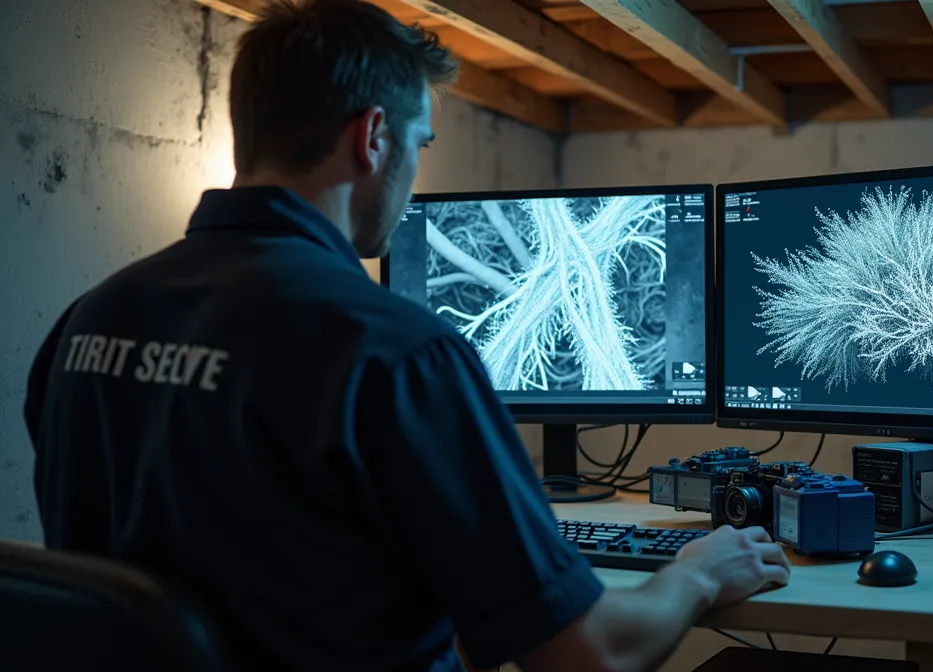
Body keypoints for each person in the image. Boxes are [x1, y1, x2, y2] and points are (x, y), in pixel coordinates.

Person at [21, 0, 790, 670]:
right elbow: (592, 651)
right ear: (375, 137)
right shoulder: (395, 354)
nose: (414, 172)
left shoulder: (89, 319)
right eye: (421, 144)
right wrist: (698, 572)